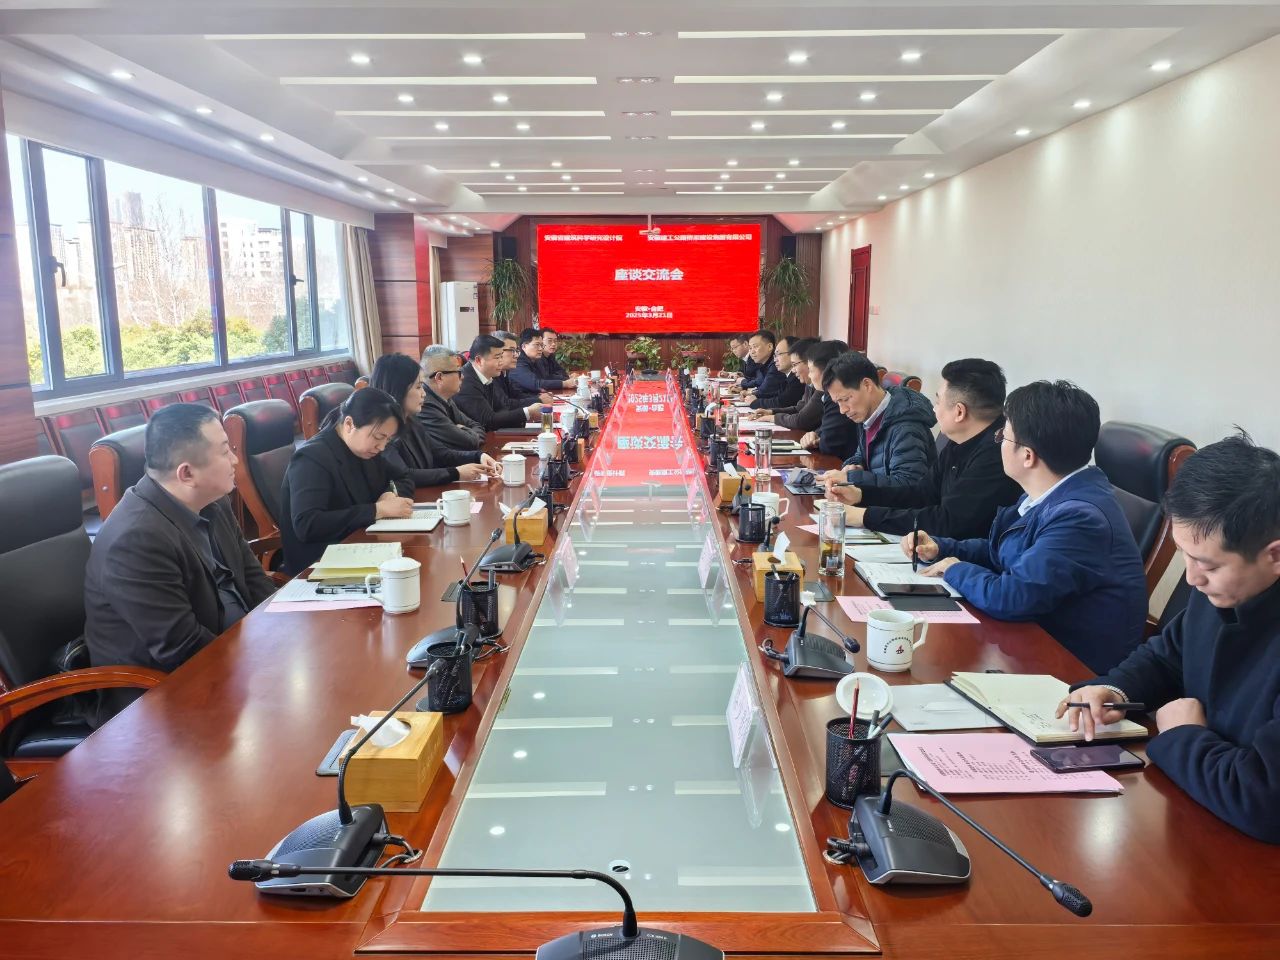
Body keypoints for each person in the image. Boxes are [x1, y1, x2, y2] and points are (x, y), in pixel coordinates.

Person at [1059, 434, 1280, 843]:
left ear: (1275, 555)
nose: (1192, 579)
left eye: (1207, 565)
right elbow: (1169, 654)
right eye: (1183, 555)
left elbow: (1265, 800)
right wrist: (1114, 689)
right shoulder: (1224, 591)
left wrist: (1182, 737)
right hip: (1198, 814)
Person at [905, 380, 1147, 674]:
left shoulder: (1080, 519)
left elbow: (1011, 597)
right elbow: (1002, 552)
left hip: (1070, 670)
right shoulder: (1051, 492)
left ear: (1028, 456)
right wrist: (942, 548)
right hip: (1027, 643)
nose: (998, 443)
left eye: (1003, 436)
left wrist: (955, 569)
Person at [84, 403, 276, 719]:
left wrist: (284, 631)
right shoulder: (135, 540)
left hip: (234, 657)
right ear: (186, 473)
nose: (235, 460)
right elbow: (182, 648)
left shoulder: (212, 501)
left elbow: (253, 579)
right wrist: (262, 665)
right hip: (160, 697)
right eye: (224, 451)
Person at [823, 359, 1021, 539]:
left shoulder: (997, 455)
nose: (934, 409)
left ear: (959, 412)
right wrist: (861, 494)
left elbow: (948, 522)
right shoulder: (960, 440)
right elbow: (922, 493)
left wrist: (864, 516)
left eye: (938, 401)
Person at [279, 387, 415, 575]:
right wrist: (377, 510)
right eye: (378, 437)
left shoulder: (365, 449)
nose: (382, 447)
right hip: (319, 562)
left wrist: (388, 494)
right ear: (350, 424)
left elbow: (403, 476)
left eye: (387, 439)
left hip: (362, 544)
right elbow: (308, 524)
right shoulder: (312, 458)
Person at [370, 353, 501, 486]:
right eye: (418, 387)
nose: (424, 393)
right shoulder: (382, 432)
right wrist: (456, 473)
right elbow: (404, 474)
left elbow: (442, 453)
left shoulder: (412, 421)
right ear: (398, 389)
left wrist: (478, 456)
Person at [819, 351, 937, 490]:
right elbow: (861, 454)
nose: (842, 410)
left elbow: (908, 486)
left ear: (867, 385)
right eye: (838, 402)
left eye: (845, 399)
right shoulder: (870, 414)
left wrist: (852, 478)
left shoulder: (906, 428)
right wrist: (855, 465)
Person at [456, 335, 544, 431]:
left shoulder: (488, 376)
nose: (501, 362)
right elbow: (487, 420)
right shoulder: (465, 382)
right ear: (479, 360)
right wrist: (528, 412)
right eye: (497, 357)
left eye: (502, 357)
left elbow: (502, 407)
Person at [798, 341, 860, 458]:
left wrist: (817, 441)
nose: (809, 376)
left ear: (827, 370)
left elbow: (829, 443)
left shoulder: (837, 396)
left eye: (811, 370)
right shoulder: (829, 394)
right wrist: (815, 434)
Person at [418, 345, 485, 451]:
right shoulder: (425, 405)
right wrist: (468, 432)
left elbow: (477, 426)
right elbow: (468, 442)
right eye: (458, 372)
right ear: (439, 377)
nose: (462, 377)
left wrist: (464, 429)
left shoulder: (445, 397)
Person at [751, 338, 823, 432]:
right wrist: (771, 412)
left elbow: (801, 420)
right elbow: (799, 408)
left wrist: (772, 418)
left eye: (795, 364)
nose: (793, 370)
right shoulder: (809, 385)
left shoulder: (821, 388)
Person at [495, 330, 554, 407]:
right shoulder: (492, 375)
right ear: (497, 352)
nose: (516, 355)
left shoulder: (505, 372)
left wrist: (539, 397)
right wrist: (538, 400)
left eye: (516, 350)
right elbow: (505, 404)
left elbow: (516, 395)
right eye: (512, 350)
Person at [749, 334, 805, 410]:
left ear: (794, 354)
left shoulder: (799, 378)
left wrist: (756, 402)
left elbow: (783, 402)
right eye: (775, 355)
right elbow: (777, 395)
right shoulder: (788, 376)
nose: (775, 360)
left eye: (779, 354)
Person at [512, 327, 574, 394]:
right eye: (537, 345)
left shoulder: (536, 360)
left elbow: (545, 379)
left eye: (541, 345)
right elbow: (536, 384)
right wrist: (565, 383)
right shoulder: (518, 363)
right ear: (524, 346)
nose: (540, 349)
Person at [737, 329, 785, 400]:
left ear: (770, 347)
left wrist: (748, 392)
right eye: (750, 348)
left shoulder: (776, 365)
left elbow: (764, 391)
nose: (752, 352)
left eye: (755, 346)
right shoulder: (763, 364)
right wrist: (744, 389)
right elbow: (759, 382)